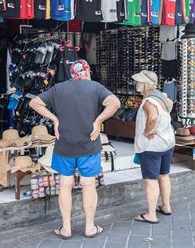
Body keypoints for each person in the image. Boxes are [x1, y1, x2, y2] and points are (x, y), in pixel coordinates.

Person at [29, 59, 121, 239]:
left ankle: (66, 229)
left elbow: (34, 103)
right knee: (88, 184)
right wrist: (99, 120)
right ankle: (89, 227)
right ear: (86, 72)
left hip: (64, 145)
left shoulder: (59, 88)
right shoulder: (95, 87)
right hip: (89, 143)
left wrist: (54, 120)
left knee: (65, 184)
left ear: (72, 73)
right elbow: (115, 103)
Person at [131, 71, 176, 223]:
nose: (136, 84)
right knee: (163, 174)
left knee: (151, 179)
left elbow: (153, 117)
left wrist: (148, 130)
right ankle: (166, 206)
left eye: (138, 81)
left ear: (145, 84)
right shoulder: (161, 96)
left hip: (153, 146)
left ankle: (151, 214)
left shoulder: (149, 102)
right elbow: (170, 105)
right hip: (167, 141)